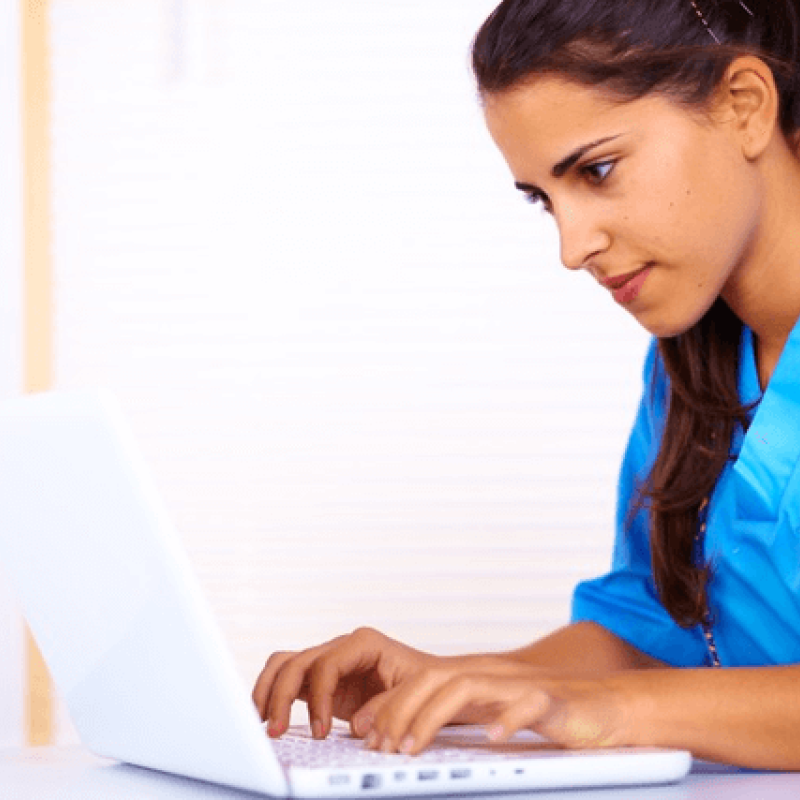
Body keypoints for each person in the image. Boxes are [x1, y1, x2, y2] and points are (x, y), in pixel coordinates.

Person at [253, 0, 800, 770]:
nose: (573, 246)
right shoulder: (691, 367)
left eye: (598, 171)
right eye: (545, 198)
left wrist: (604, 711)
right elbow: (655, 634)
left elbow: (632, 696)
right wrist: (468, 681)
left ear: (743, 106)